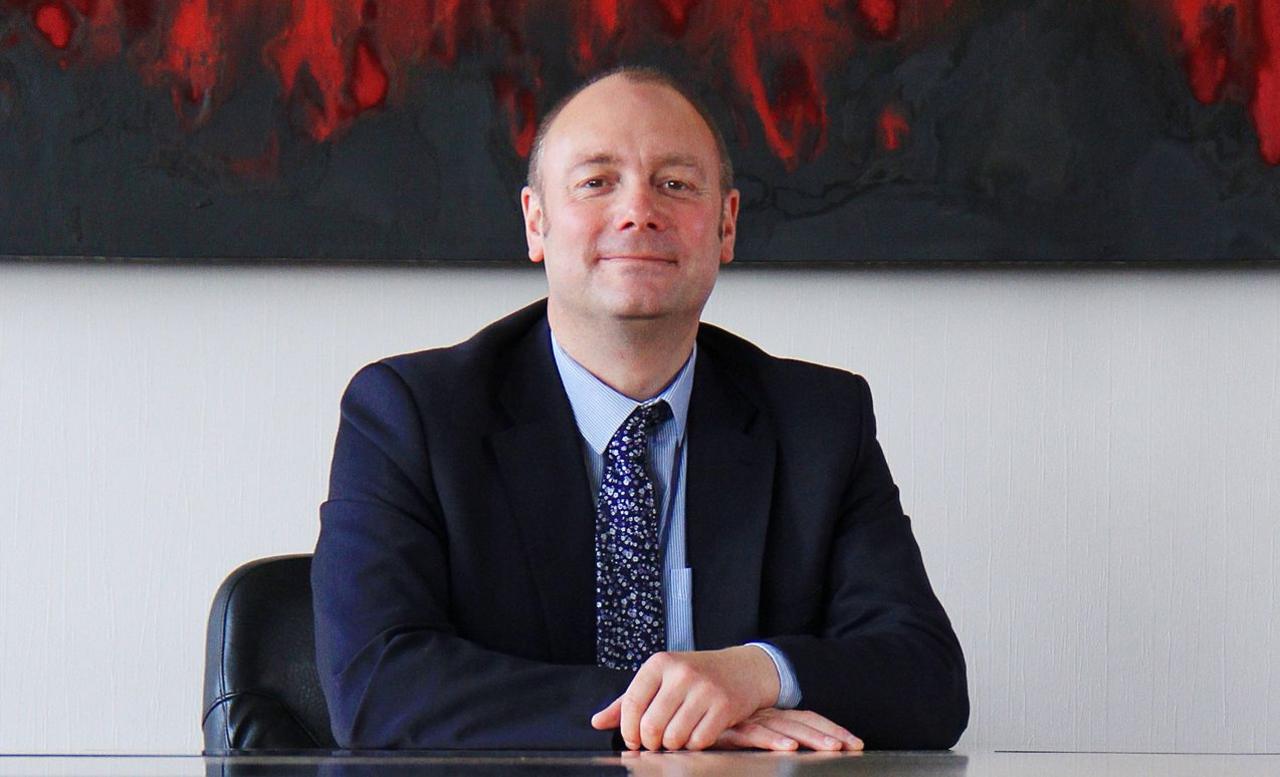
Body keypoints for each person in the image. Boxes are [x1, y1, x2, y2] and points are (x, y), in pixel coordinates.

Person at [312, 66, 968, 752]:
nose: (638, 212)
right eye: (597, 181)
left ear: (726, 225)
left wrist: (756, 673)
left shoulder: (819, 423)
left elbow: (928, 679)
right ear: (536, 222)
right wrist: (671, 714)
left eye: (676, 184)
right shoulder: (410, 415)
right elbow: (376, 688)